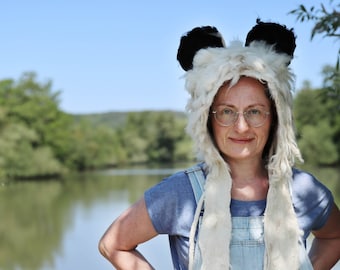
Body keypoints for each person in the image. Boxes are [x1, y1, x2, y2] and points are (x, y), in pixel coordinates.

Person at [98, 20, 340, 270]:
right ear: (207, 119)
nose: (242, 127)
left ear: (275, 117)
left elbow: (335, 236)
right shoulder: (181, 194)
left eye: (255, 112)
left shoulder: (303, 190)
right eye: (226, 112)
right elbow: (113, 244)